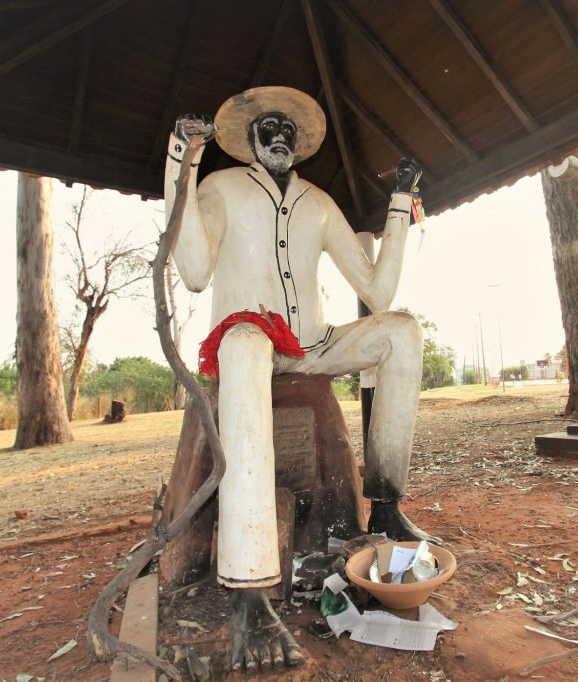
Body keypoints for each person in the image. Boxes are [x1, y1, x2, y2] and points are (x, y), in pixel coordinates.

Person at [165, 86, 436, 673]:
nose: (280, 134)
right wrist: (182, 164)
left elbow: (377, 291)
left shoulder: (318, 201)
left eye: (288, 127)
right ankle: (250, 593)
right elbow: (191, 272)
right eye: (268, 126)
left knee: (402, 331)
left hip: (313, 346)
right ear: (247, 138)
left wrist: (399, 202)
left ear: (301, 141)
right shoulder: (222, 189)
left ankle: (385, 504)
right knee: (240, 346)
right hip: (252, 342)